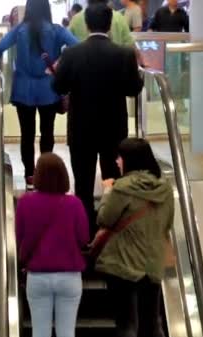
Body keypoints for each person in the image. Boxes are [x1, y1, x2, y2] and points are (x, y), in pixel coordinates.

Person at [53, 3, 144, 229]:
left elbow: (58, 86)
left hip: (81, 129)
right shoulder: (123, 54)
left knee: (82, 183)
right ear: (110, 23)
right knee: (113, 181)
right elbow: (134, 89)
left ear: (86, 23)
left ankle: (85, 232)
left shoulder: (72, 54)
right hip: (114, 130)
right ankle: (110, 229)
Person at [0, 0, 78, 191]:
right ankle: (45, 175)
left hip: (23, 89)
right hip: (49, 89)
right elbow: (77, 45)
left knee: (27, 134)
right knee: (47, 132)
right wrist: (58, 63)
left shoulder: (19, 30)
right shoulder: (56, 30)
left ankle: (29, 176)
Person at [94, 138, 173, 337]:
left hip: (123, 263)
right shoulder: (164, 189)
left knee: (127, 324)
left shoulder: (121, 188)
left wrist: (107, 192)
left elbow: (104, 219)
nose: (118, 162)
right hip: (153, 263)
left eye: (120, 158)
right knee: (152, 323)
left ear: (130, 160)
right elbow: (167, 223)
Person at [16, 153, 89, 337]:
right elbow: (84, 239)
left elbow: (20, 237)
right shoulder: (74, 203)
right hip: (70, 276)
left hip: (37, 275)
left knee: (40, 335)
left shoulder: (25, 202)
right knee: (66, 335)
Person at [69, 0, 135, 47]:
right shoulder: (119, 18)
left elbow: (67, 45)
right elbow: (130, 46)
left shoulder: (76, 19)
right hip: (115, 64)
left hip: (82, 64)